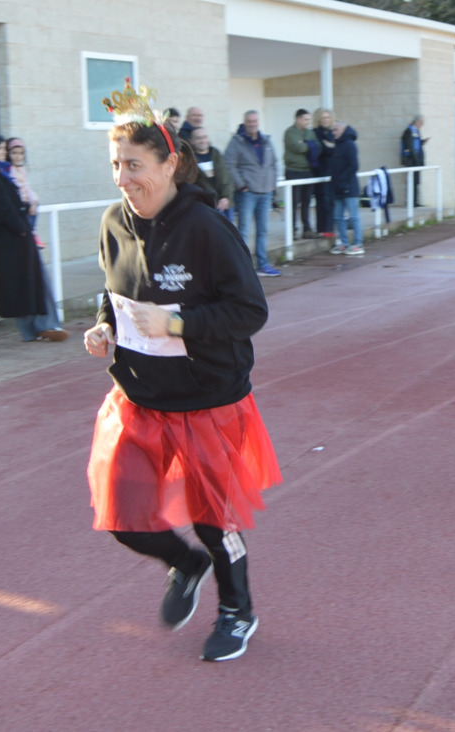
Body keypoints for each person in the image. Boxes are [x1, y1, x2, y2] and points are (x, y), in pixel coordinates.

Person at [87, 80, 282, 661]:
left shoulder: (206, 228)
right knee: (122, 518)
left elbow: (250, 311)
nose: (124, 178)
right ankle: (183, 562)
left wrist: (172, 324)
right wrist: (103, 326)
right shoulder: (112, 223)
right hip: (137, 397)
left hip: (205, 400)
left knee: (214, 522)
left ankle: (236, 610)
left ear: (170, 163)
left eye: (135, 165)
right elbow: (112, 291)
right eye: (116, 165)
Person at [0, 133, 68, 342]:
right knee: (29, 281)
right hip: (13, 237)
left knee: (27, 282)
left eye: (4, 148)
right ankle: (41, 327)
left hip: (14, 236)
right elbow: (3, 205)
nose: (3, 152)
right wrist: (22, 228)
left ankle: (38, 328)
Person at [225, 110, 281, 277]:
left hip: (265, 192)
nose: (252, 124)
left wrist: (273, 184)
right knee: (243, 231)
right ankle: (243, 267)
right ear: (245, 122)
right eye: (249, 121)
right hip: (247, 194)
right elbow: (229, 164)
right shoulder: (237, 142)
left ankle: (263, 264)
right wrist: (241, 185)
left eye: (255, 121)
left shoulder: (266, 141)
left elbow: (274, 163)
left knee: (263, 230)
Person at [328, 120, 364, 256]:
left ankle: (358, 243)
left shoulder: (349, 145)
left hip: (349, 187)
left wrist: (342, 179)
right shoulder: (337, 145)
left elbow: (354, 165)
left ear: (343, 130)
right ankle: (344, 243)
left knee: (354, 216)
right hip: (338, 188)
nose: (333, 132)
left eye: (336, 130)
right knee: (338, 216)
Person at [283, 109, 318, 240]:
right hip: (293, 171)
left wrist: (306, 144)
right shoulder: (290, 132)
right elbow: (298, 148)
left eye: (309, 119)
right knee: (293, 203)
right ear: (297, 119)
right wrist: (309, 145)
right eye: (305, 119)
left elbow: (317, 147)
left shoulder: (310, 133)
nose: (308, 122)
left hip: (308, 171)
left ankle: (307, 229)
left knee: (306, 202)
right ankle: (292, 230)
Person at [188, 127, 232, 216]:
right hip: (205, 206)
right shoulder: (190, 159)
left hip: (224, 203)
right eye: (198, 138)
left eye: (204, 137)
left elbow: (226, 176)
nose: (202, 140)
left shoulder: (216, 153)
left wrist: (226, 197)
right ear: (192, 140)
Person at [5, 138, 40, 246]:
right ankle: (28, 235)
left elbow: (26, 187)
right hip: (17, 203)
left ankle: (32, 233)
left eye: (21, 153)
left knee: (35, 205)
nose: (18, 156)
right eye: (14, 153)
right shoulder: (8, 169)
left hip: (25, 202)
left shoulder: (21, 169)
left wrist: (33, 201)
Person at [312, 107, 337, 241]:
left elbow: (334, 150)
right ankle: (322, 229)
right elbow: (323, 150)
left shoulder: (332, 133)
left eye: (327, 117)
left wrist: (330, 146)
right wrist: (329, 146)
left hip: (332, 173)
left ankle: (330, 228)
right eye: (322, 118)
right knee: (322, 201)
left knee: (331, 201)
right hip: (320, 172)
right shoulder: (315, 133)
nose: (325, 120)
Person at [400, 114, 427, 203]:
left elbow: (416, 144)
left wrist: (422, 142)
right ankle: (411, 202)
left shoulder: (416, 131)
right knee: (411, 181)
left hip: (416, 159)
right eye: (421, 123)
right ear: (417, 122)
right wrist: (416, 159)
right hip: (411, 160)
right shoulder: (409, 131)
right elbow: (409, 146)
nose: (422, 125)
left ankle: (415, 201)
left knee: (416, 181)